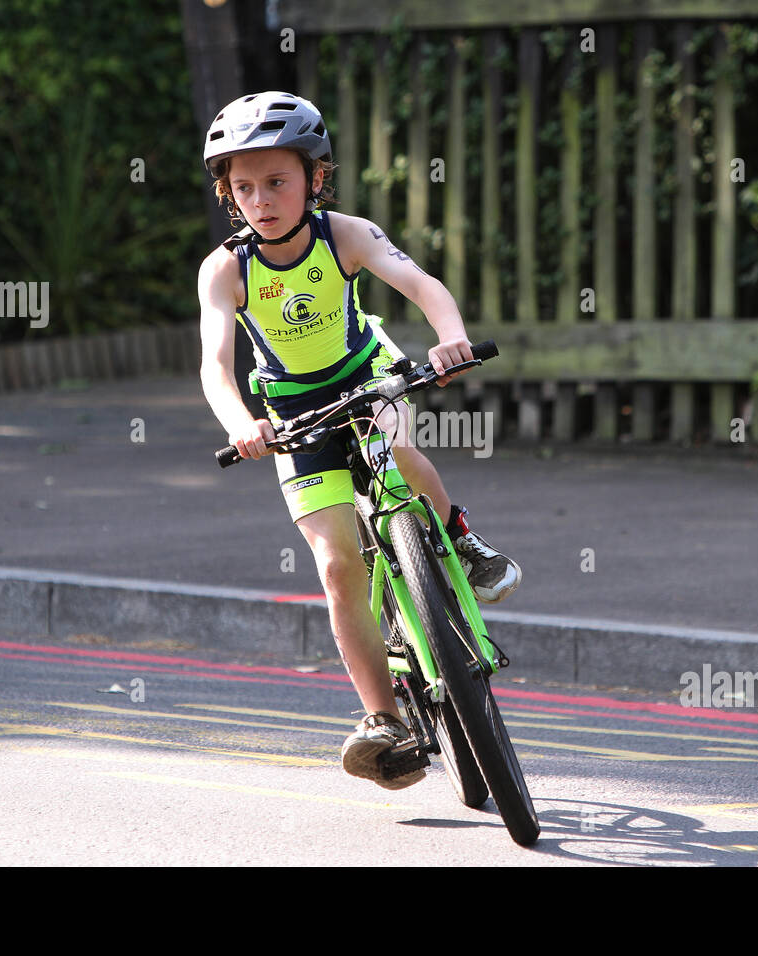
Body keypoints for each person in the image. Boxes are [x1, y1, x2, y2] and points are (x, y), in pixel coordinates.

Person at [196, 91, 521, 790]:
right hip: (293, 417)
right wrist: (239, 425)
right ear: (229, 194)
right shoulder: (226, 268)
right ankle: (386, 723)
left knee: (398, 445)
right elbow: (215, 366)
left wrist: (450, 338)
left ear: (315, 177)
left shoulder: (344, 235)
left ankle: (460, 537)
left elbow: (418, 281)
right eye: (243, 186)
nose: (261, 199)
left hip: (363, 377)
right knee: (337, 565)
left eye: (277, 181)